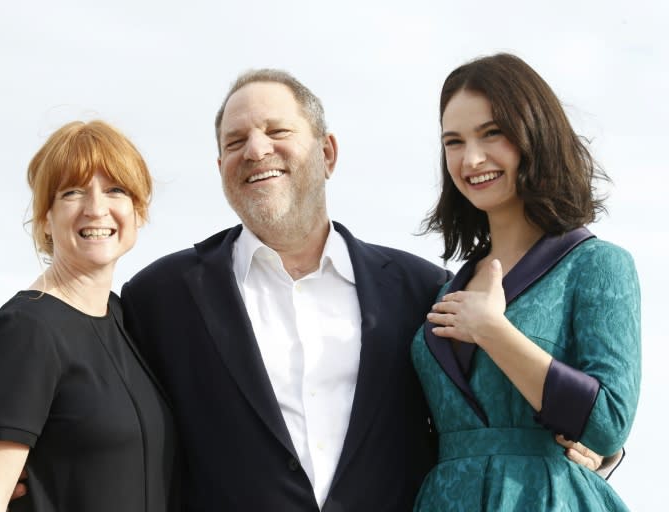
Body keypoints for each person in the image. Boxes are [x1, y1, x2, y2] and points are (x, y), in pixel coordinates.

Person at [118, 69, 606, 511]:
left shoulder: (423, 292)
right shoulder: (159, 297)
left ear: (327, 152)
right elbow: (109, 419)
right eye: (236, 140)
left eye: (277, 131)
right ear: (220, 164)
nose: (255, 149)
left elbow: (484, 413)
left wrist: (595, 442)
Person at [411, 53, 640, 511]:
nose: (471, 158)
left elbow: (609, 422)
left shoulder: (597, 265)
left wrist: (493, 331)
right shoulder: (443, 287)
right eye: (453, 142)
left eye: (492, 133)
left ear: (535, 134)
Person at [0, 121, 177, 512]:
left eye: (115, 190)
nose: (96, 209)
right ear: (45, 217)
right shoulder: (25, 332)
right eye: (72, 193)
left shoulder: (128, 323)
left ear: (138, 211)